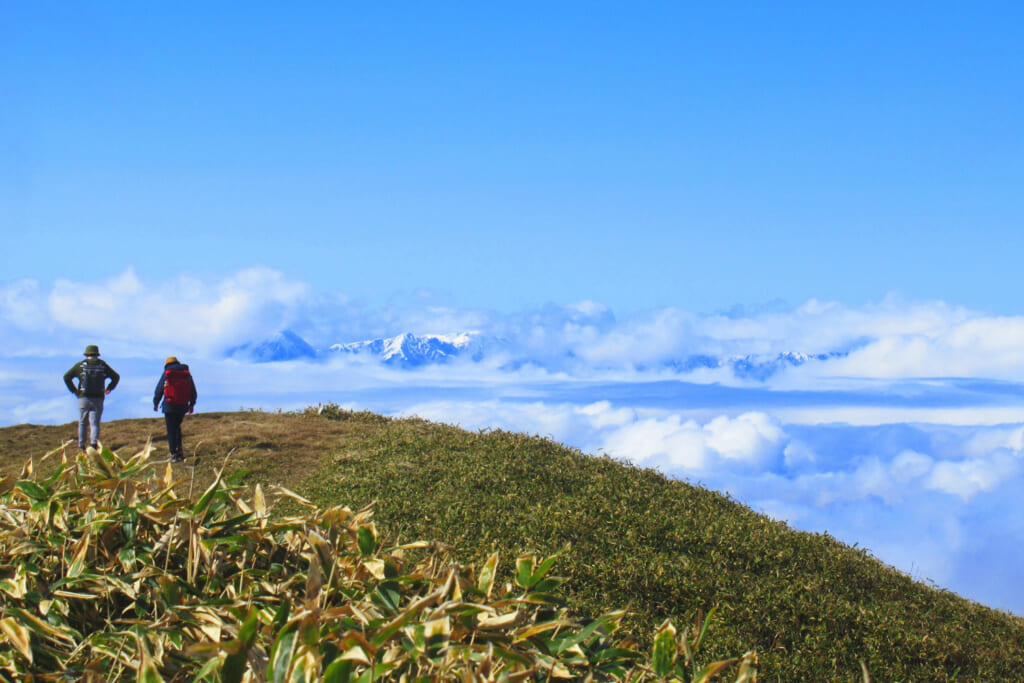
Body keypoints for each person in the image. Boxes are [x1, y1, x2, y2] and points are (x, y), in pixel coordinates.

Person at [63, 344, 120, 451]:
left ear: (87, 354)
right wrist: (109, 388)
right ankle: (93, 444)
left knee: (82, 422)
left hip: (83, 398)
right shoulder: (102, 365)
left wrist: (74, 390)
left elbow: (66, 377)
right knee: (94, 423)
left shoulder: (80, 366)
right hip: (98, 398)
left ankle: (81, 445)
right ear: (97, 354)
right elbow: (116, 376)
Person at [153, 356, 198, 463]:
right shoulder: (186, 373)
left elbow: (159, 389)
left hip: (169, 405)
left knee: (171, 430)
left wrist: (155, 402)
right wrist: (191, 404)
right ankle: (180, 452)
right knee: (177, 428)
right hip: (183, 405)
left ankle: (173, 453)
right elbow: (192, 390)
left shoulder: (167, 373)